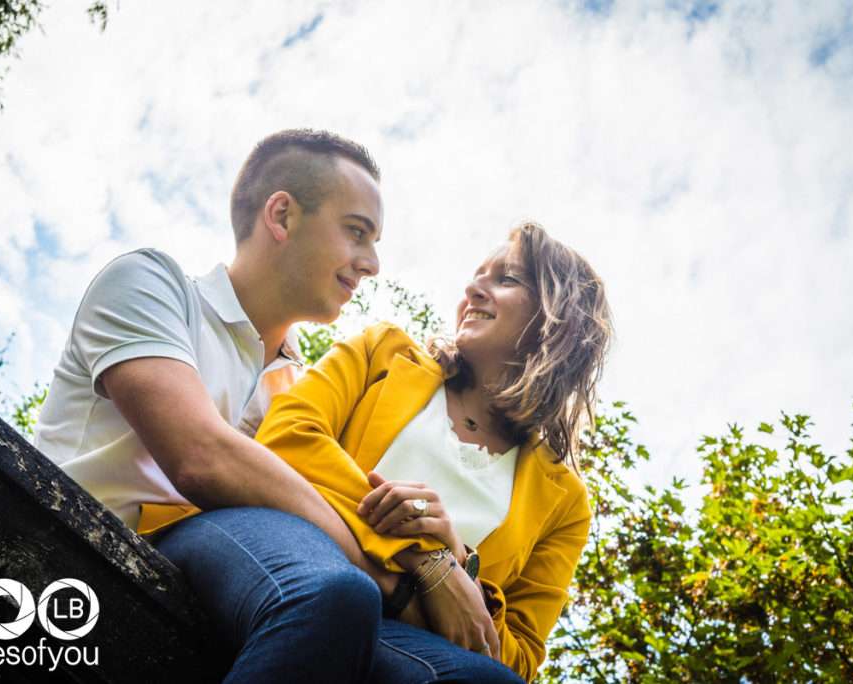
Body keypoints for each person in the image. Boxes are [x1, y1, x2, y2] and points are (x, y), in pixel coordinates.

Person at [34, 129, 418, 682]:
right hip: (75, 568)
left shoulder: (302, 391)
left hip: (228, 604)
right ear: (281, 216)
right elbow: (200, 456)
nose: (372, 263)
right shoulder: (151, 285)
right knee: (339, 594)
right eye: (357, 232)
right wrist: (385, 579)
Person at [254, 221, 613, 683]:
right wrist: (427, 557)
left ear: (558, 320)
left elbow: (518, 657)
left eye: (506, 279)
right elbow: (287, 437)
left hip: (403, 635)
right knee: (340, 597)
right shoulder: (382, 352)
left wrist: (461, 563)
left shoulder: (564, 502)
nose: (473, 288)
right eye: (478, 275)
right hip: (298, 556)